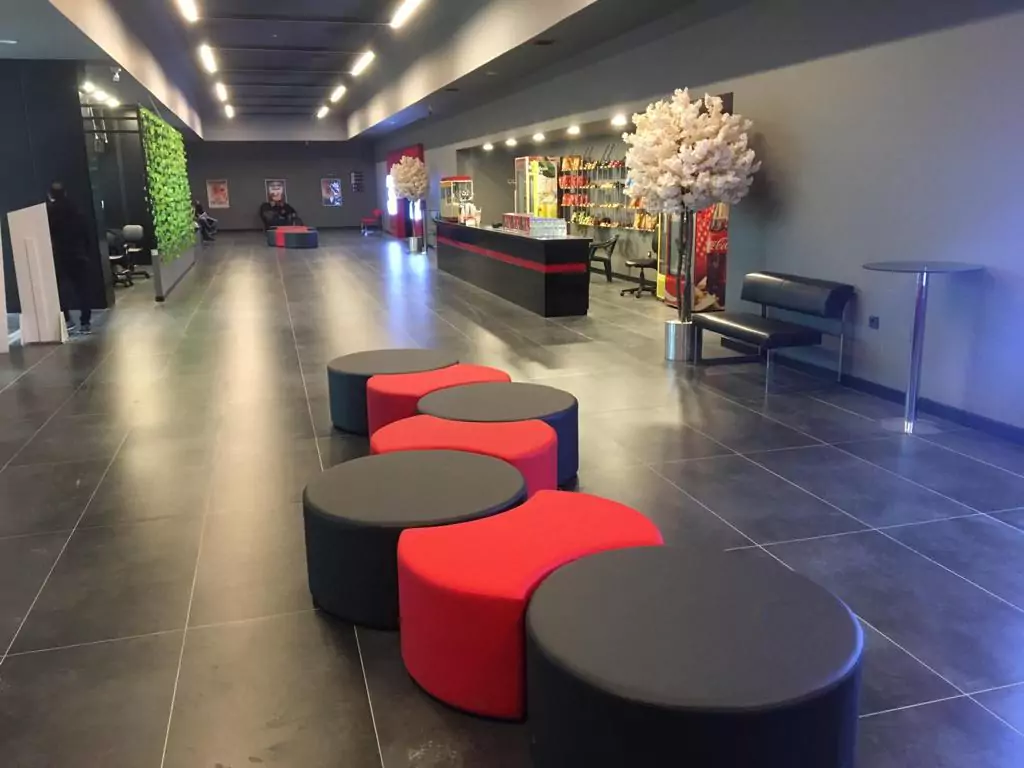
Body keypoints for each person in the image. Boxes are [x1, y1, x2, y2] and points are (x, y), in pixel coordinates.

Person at [46, 182, 93, 334]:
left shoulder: (50, 213)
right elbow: (86, 234)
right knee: (83, 290)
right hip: (79, 255)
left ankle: (67, 320)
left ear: (50, 195)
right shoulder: (77, 210)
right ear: (65, 193)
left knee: (61, 290)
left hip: (60, 256)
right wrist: (86, 251)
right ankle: (85, 323)